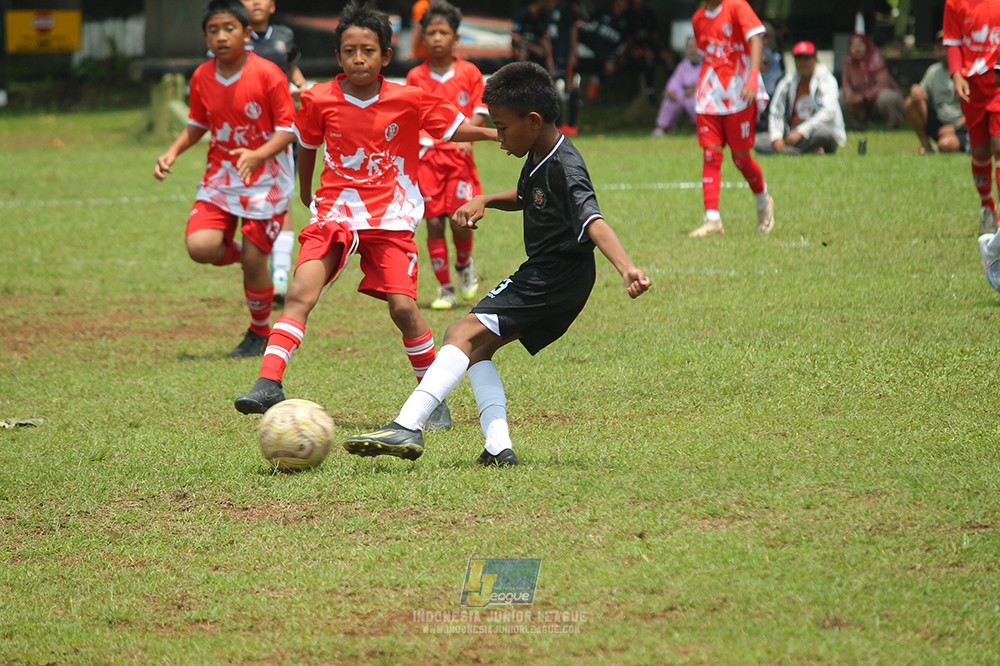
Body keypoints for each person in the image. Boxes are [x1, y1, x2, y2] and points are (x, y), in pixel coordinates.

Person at [343, 61, 651, 466]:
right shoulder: (541, 151)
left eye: (503, 128)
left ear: (533, 120)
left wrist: (626, 267)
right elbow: (526, 195)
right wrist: (485, 199)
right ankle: (497, 448)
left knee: (461, 333)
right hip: (560, 276)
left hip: (552, 275)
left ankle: (408, 424)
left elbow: (592, 218)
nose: (499, 138)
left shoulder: (566, 165)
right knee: (478, 348)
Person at [233, 2, 498, 424]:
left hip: (390, 218)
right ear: (338, 57)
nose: (359, 58)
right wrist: (308, 192)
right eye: (350, 51)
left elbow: (451, 129)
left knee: (404, 309)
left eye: (368, 51)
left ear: (386, 56)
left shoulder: (408, 98)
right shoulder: (318, 98)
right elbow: (307, 144)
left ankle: (432, 398)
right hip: (334, 214)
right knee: (300, 293)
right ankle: (268, 382)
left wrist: (494, 132)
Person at [153, 0, 296, 358]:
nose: (221, 36)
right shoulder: (202, 76)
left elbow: (288, 129)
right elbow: (198, 122)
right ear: (204, 37)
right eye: (213, 30)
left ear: (246, 34)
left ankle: (259, 332)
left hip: (267, 180)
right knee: (200, 247)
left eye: (229, 29)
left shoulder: (268, 73)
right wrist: (172, 151)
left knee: (254, 262)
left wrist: (258, 154)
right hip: (221, 176)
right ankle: (253, 257)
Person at [406, 1, 487, 310]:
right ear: (423, 38)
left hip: (458, 159)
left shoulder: (469, 72)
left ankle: (464, 264)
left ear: (456, 37)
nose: (437, 38)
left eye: (443, 32)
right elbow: (410, 117)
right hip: (427, 160)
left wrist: (467, 136)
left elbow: (480, 110)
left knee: (460, 220)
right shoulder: (415, 76)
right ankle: (445, 289)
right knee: (434, 224)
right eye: (431, 33)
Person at [686, 0, 774, 237]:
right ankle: (712, 219)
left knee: (741, 158)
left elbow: (756, 39)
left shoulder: (736, 6)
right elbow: (708, 53)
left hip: (739, 93)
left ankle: (764, 202)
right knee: (710, 155)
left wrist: (753, 76)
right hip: (710, 95)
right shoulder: (698, 18)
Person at [241, 0, 308, 302]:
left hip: (281, 130)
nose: (255, 2)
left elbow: (293, 70)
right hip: (246, 131)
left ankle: (279, 273)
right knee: (246, 200)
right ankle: (254, 263)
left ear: (272, 5)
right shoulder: (232, 35)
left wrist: (302, 87)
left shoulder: (284, 35)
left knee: (281, 198)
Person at [754, 40, 846, 155]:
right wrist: (777, 136)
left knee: (825, 134)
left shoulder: (826, 80)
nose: (802, 63)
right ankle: (808, 151)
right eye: (799, 59)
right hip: (790, 133)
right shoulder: (788, 82)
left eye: (806, 58)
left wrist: (802, 131)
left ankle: (790, 151)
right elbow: (776, 112)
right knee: (758, 142)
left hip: (815, 130)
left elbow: (828, 112)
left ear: (815, 59)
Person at [905, 31, 967, 155]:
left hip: (962, 126)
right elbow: (921, 93)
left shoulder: (965, 71)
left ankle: (961, 143)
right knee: (910, 102)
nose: (943, 52)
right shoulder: (933, 71)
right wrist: (915, 89)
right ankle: (926, 145)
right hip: (939, 121)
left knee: (946, 145)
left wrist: (955, 126)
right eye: (940, 48)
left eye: (947, 48)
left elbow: (977, 108)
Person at [840, 32, 906, 131]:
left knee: (886, 96)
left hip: (877, 103)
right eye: (853, 46)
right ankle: (855, 126)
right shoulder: (848, 63)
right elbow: (846, 83)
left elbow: (882, 85)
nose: (857, 49)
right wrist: (850, 96)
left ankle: (893, 125)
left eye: (860, 45)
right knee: (841, 95)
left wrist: (864, 98)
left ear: (866, 45)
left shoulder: (876, 60)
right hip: (860, 105)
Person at [578, 0, 627, 101]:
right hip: (595, 45)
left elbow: (625, 41)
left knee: (610, 67)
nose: (624, 5)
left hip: (609, 51)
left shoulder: (625, 19)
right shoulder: (604, 10)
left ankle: (596, 85)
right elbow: (589, 20)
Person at [547, 0, 583, 136]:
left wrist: (573, 52)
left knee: (571, 84)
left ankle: (572, 124)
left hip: (566, 52)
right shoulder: (547, 10)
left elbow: (573, 29)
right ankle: (559, 124)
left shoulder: (566, 7)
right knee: (553, 87)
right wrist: (549, 56)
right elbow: (546, 36)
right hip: (554, 53)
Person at [652, 36, 700, 137]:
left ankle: (700, 129)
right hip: (683, 94)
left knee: (694, 102)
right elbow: (675, 82)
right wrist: (670, 91)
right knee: (670, 100)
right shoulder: (682, 66)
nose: (692, 50)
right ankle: (662, 128)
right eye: (690, 47)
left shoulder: (706, 64)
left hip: (697, 94)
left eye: (695, 46)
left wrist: (695, 89)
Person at [511, 0, 554, 70]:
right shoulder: (523, 14)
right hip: (524, 44)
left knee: (543, 50)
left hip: (534, 44)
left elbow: (544, 37)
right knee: (523, 53)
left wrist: (549, 57)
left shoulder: (544, 16)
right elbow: (515, 37)